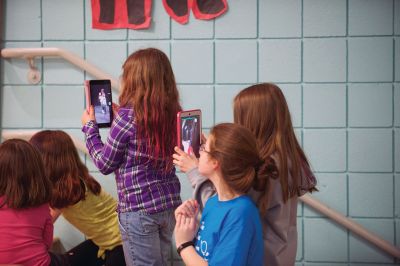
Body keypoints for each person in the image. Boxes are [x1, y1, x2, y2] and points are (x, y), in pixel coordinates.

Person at [173, 83, 317, 266]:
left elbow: (227, 205)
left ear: (252, 121)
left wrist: (196, 171)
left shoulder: (267, 168)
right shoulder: (288, 157)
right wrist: (216, 151)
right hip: (282, 255)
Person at [81, 48, 182, 266]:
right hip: (168, 207)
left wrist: (90, 128)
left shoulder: (127, 117)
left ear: (133, 80)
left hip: (138, 211)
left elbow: (105, 163)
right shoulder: (173, 111)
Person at [29, 130, 125, 266]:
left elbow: (43, 222)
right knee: (65, 261)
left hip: (120, 243)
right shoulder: (74, 180)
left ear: (45, 160)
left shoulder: (66, 190)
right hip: (108, 239)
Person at [174, 123, 264, 266]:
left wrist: (183, 244)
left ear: (216, 162)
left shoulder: (241, 213)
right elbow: (206, 254)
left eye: (204, 149)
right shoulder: (213, 202)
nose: (200, 152)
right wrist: (188, 226)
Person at [0, 139, 68, 266]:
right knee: (62, 260)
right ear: (37, 171)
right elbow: (47, 243)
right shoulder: (41, 205)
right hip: (38, 263)